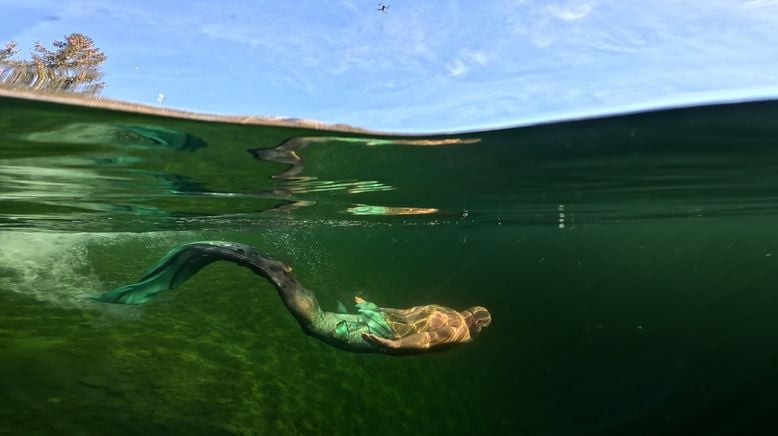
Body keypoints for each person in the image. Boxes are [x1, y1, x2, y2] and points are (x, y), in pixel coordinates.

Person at [93, 241, 491, 354]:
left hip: (377, 327)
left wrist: (373, 312)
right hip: (378, 335)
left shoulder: (445, 312)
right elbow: (420, 338)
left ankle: (278, 275)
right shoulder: (457, 331)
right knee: (315, 321)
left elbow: (411, 320)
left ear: (469, 312)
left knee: (318, 314)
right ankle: (276, 275)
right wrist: (389, 339)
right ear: (474, 325)